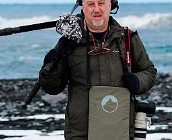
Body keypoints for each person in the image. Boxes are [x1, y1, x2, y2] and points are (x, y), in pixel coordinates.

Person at [39, 0, 157, 139]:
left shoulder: (127, 38)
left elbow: (149, 71)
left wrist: (137, 81)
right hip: (80, 133)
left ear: (110, 5)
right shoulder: (70, 42)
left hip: (121, 130)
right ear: (83, 7)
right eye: (91, 4)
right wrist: (50, 65)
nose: (96, 9)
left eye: (101, 3)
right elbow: (53, 88)